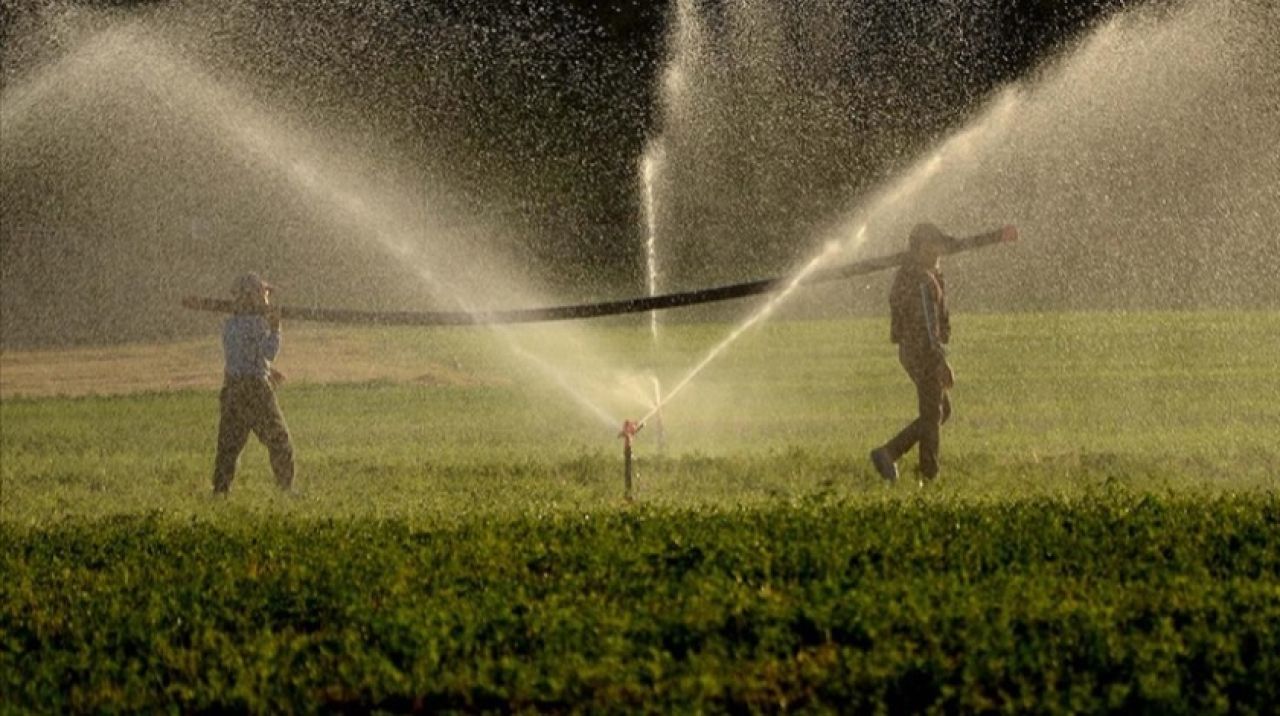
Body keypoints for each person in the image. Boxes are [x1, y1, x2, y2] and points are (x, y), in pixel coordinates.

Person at [870, 223, 958, 487]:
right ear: (918, 248)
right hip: (922, 352)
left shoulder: (922, 274)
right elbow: (927, 327)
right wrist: (939, 361)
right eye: (932, 244)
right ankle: (928, 477)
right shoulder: (919, 280)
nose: (938, 250)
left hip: (915, 351)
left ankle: (889, 453)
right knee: (933, 414)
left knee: (940, 412)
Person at [212, 273, 294, 494]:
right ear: (253, 297)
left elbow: (243, 358)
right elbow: (268, 352)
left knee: (228, 446)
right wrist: (276, 329)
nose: (268, 300)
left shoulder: (229, 326)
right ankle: (285, 488)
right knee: (279, 440)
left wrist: (267, 372)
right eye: (265, 294)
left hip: (232, 389)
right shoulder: (258, 325)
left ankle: (220, 491)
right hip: (256, 391)